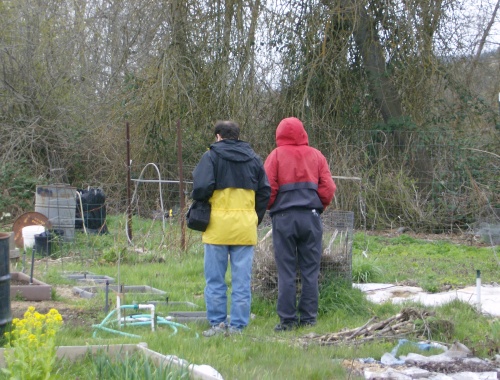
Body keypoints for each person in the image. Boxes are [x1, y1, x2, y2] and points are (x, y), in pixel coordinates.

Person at [191, 120, 271, 336]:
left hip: (217, 227)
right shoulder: (254, 159)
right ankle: (238, 327)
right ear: (237, 136)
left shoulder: (211, 156)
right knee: (241, 282)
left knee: (215, 280)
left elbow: (200, 188)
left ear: (218, 136)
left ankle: (217, 325)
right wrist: (254, 217)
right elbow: (265, 191)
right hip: (245, 228)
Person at [264, 117, 336, 331]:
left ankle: (287, 321)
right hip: (310, 217)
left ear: (279, 134)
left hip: (284, 218)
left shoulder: (275, 156)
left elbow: (268, 188)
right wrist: (317, 207)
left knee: (286, 270)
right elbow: (329, 188)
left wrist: (272, 207)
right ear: (303, 133)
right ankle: (308, 319)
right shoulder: (316, 156)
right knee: (310, 271)